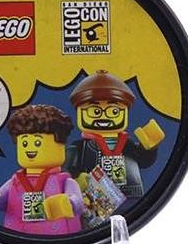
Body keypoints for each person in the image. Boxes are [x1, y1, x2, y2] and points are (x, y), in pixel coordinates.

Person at [0, 104, 84, 235]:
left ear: (61, 144)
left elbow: (78, 203)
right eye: (24, 143)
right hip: (18, 238)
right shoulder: (15, 182)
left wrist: (67, 204)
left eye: (37, 143)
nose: (30, 149)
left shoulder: (65, 181)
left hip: (57, 240)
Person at [63, 70, 164, 199]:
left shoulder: (127, 144)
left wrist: (149, 148)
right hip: (93, 200)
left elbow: (144, 162)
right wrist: (76, 180)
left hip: (130, 196)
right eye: (95, 111)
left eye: (114, 111)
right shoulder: (79, 148)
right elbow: (67, 170)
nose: (104, 117)